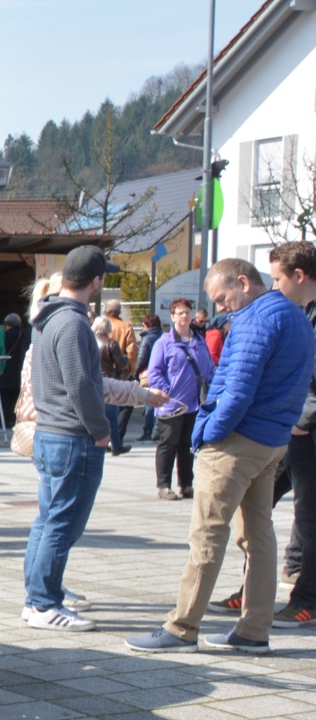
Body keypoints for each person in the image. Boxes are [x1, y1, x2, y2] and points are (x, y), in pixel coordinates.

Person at [125, 256, 316, 655]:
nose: (219, 307)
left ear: (243, 283)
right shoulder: (296, 316)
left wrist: (207, 434)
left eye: (221, 297)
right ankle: (253, 630)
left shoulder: (256, 319)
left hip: (236, 442)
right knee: (258, 535)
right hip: (272, 441)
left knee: (208, 533)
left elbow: (237, 389)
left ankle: (181, 628)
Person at [23, 246, 116, 633]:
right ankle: (43, 602)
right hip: (72, 437)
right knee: (62, 524)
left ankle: (37, 596)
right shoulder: (74, 323)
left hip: (51, 433)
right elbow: (80, 384)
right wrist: (101, 429)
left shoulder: (48, 316)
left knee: (48, 521)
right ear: (95, 282)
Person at [268, 242, 316, 628]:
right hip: (292, 430)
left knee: (311, 516)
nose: (274, 287)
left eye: (277, 279)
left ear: (299, 276)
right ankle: (257, 588)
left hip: (305, 430)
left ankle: (307, 601)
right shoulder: (302, 312)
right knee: (258, 498)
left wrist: (304, 418)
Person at [142, 297, 214, 501]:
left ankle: (186, 484)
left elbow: (209, 369)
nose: (184, 316)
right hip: (171, 405)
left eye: (187, 312)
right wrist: (166, 392)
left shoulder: (199, 341)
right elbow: (154, 372)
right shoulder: (163, 343)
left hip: (193, 405)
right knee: (168, 444)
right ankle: (164, 485)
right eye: (180, 313)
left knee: (188, 445)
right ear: (172, 316)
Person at [94, 316, 134, 456]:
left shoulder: (89, 341)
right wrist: (126, 360)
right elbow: (121, 364)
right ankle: (116, 445)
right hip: (108, 380)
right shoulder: (111, 343)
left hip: (92, 381)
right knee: (111, 416)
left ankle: (102, 443)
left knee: (97, 414)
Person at [136, 312, 165, 441]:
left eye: (143, 325)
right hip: (162, 373)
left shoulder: (147, 339)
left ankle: (148, 432)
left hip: (148, 375)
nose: (142, 328)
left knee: (149, 404)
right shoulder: (163, 337)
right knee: (159, 403)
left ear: (148, 325)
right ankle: (158, 431)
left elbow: (141, 359)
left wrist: (135, 374)